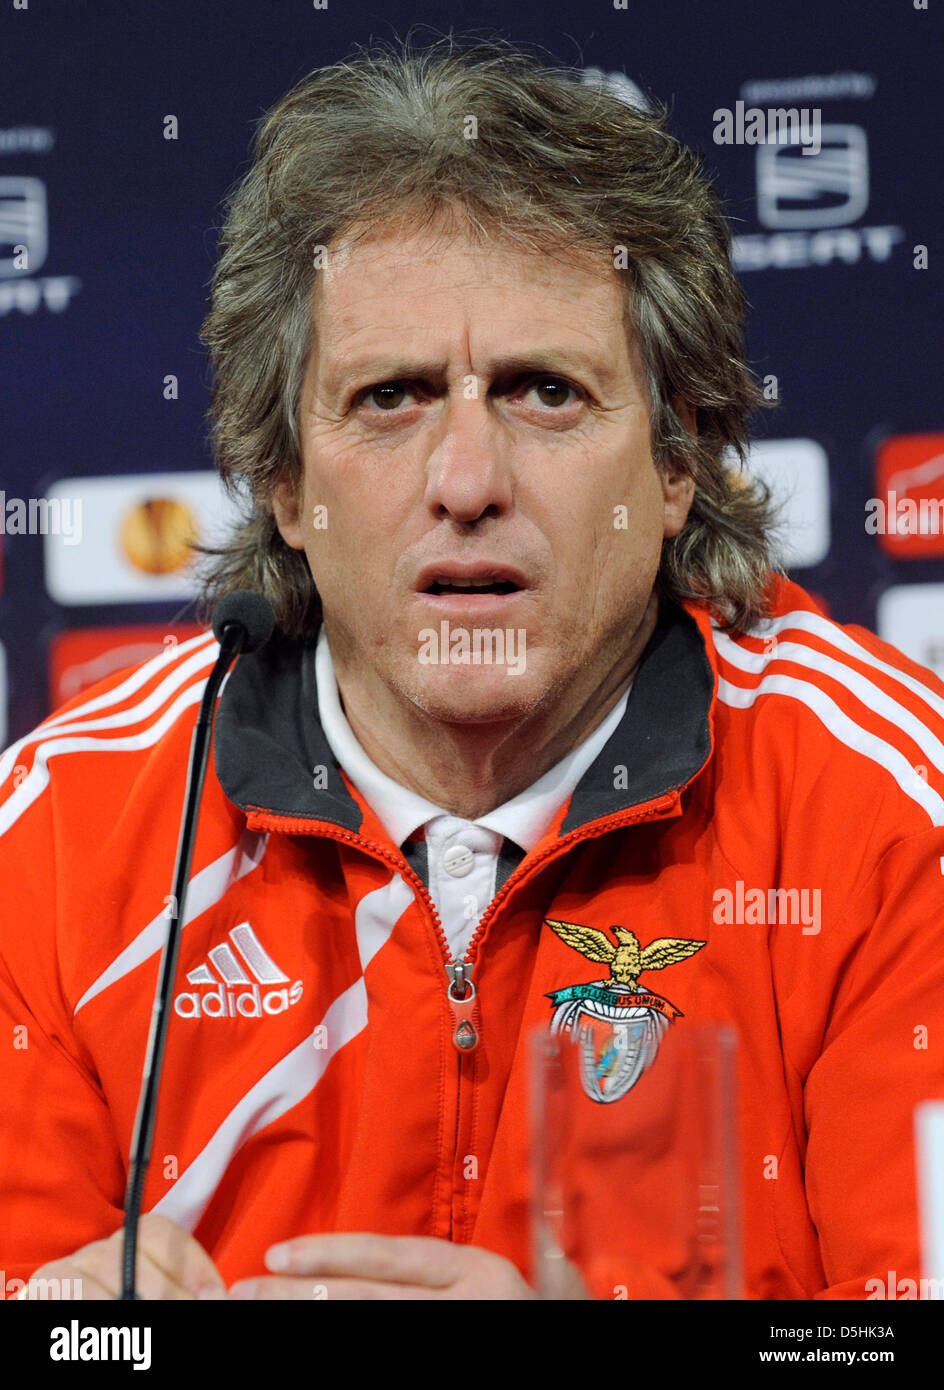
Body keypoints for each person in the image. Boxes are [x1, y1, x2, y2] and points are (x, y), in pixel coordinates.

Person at [3, 36, 943, 1302]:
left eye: (543, 392)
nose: (464, 483)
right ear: (284, 481)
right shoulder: (52, 849)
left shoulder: (891, 819)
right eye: (388, 397)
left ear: (677, 467)